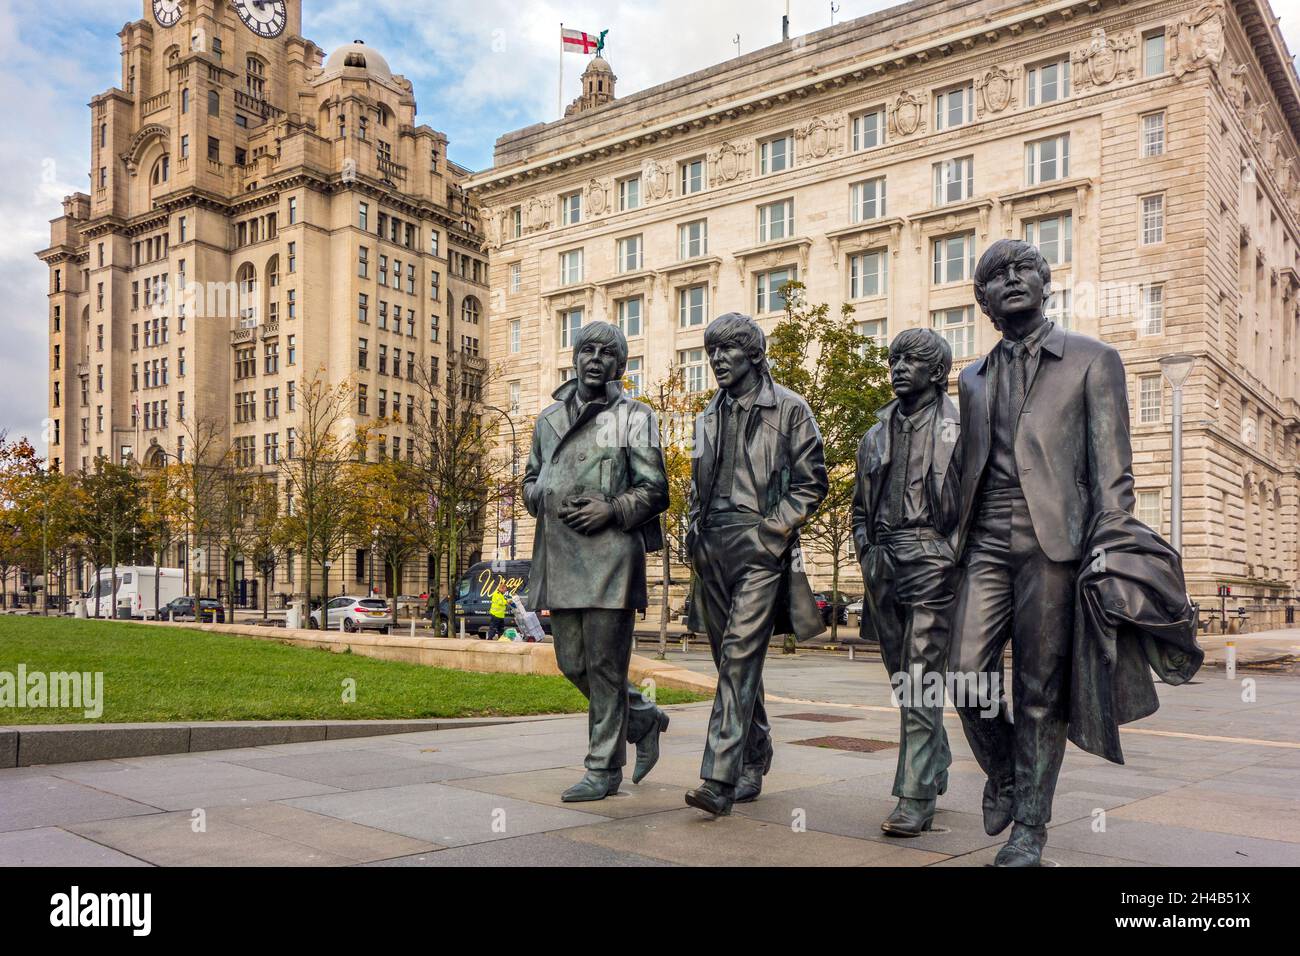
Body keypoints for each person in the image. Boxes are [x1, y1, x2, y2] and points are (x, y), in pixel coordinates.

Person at [948, 238, 1135, 866]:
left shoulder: (1093, 359)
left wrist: (1108, 546)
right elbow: (964, 470)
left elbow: (1113, 473)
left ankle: (1031, 821)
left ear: (1046, 281)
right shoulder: (970, 378)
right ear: (984, 301)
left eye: (1025, 268)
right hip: (984, 542)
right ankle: (1003, 770)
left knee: (1038, 688)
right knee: (964, 671)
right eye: (996, 276)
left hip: (1055, 541)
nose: (1013, 280)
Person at [683, 312, 828, 817]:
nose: (717, 360)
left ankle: (718, 779)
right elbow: (694, 484)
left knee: (741, 659)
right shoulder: (705, 416)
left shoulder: (789, 409)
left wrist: (774, 532)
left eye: (727, 350)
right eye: (712, 352)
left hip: (760, 546)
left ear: (754, 353)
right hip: (713, 549)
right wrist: (692, 531)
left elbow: (812, 482)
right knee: (732, 663)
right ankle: (756, 751)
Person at [522, 320, 673, 802]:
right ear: (574, 356)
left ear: (621, 367)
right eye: (587, 349)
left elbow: (655, 489)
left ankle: (603, 769)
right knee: (571, 662)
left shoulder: (635, 416)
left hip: (611, 556)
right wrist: (541, 493)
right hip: (561, 554)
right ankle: (644, 717)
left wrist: (612, 508)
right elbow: (528, 479)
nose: (595, 359)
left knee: (606, 666)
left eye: (607, 353)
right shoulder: (547, 420)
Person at [851, 328, 961, 837]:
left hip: (934, 560)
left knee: (920, 680)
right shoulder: (875, 433)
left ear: (938, 372)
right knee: (904, 679)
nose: (897, 368)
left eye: (911, 361)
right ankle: (934, 758)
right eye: (893, 359)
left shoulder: (961, 426)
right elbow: (858, 508)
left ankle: (913, 796)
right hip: (884, 563)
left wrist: (952, 553)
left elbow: (980, 499)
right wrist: (866, 551)